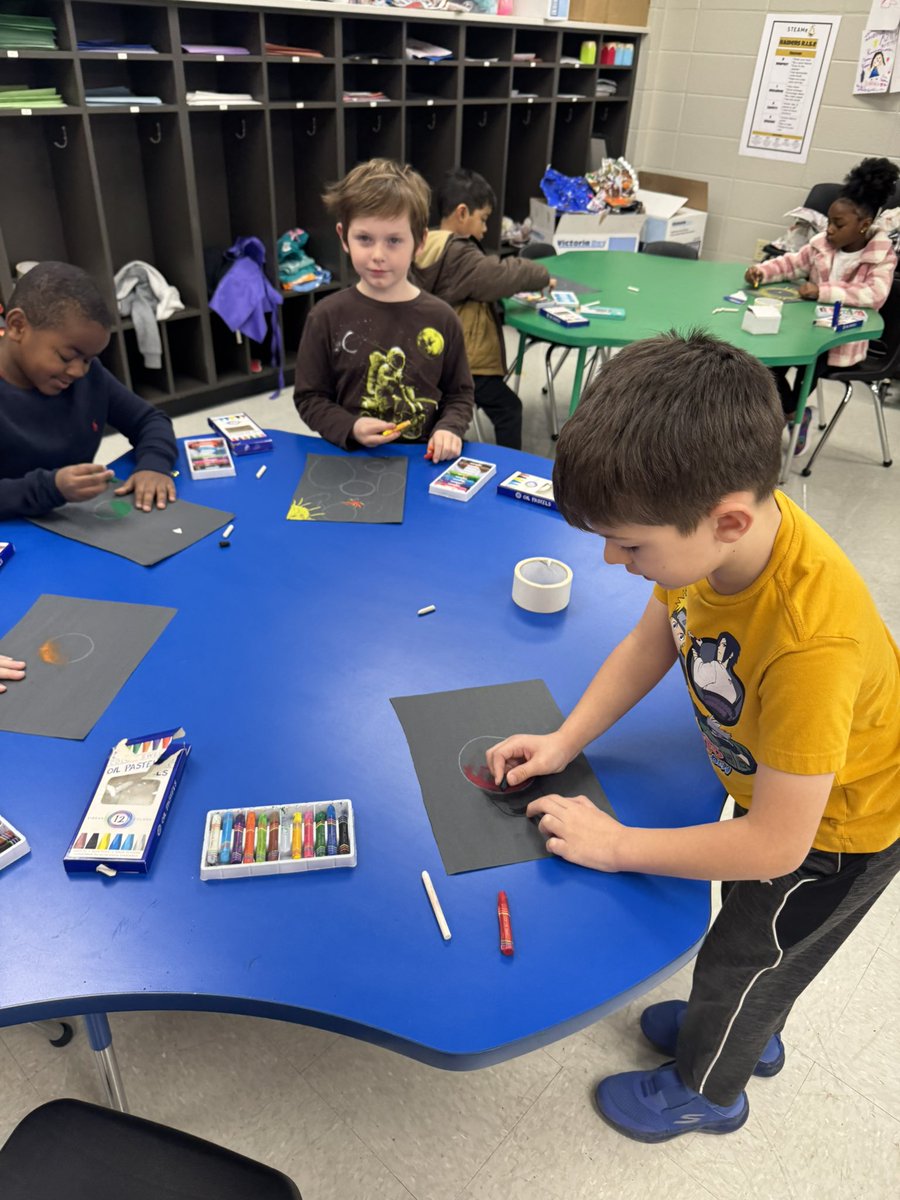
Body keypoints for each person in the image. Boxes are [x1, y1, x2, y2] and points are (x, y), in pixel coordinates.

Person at [487, 331, 900, 1143]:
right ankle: (741, 1016)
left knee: (746, 958)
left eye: (630, 542)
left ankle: (711, 1091)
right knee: (750, 953)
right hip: (783, 803)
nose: (611, 559)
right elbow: (653, 640)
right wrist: (567, 739)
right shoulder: (716, 553)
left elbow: (779, 848)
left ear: (727, 518)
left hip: (837, 835)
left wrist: (617, 846)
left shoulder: (812, 642)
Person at [294, 159, 474, 463]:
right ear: (343, 236)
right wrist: (350, 426)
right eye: (365, 238)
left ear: (419, 242)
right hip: (350, 460)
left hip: (424, 461)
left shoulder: (443, 318)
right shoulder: (324, 317)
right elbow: (310, 398)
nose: (378, 255)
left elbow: (459, 395)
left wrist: (449, 428)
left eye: (394, 240)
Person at [0, 261, 177, 520]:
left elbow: (150, 420)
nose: (78, 372)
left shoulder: (87, 377)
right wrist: (50, 488)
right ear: (17, 326)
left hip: (77, 527)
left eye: (88, 360)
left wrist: (154, 466)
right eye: (66, 356)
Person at [745, 157, 899, 455]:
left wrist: (823, 291)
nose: (829, 230)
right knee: (767, 363)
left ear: (864, 225)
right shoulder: (821, 244)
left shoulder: (881, 255)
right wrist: (762, 271)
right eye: (829, 221)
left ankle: (787, 414)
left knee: (809, 367)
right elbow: (792, 263)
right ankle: (794, 413)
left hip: (841, 343)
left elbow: (874, 294)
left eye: (838, 224)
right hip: (804, 330)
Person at [412, 167, 553, 449]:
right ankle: (509, 469)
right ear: (462, 213)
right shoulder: (458, 253)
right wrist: (541, 276)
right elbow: (500, 275)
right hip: (465, 362)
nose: (485, 229)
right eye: (483, 219)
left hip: (436, 356)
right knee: (509, 409)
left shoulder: (430, 244)